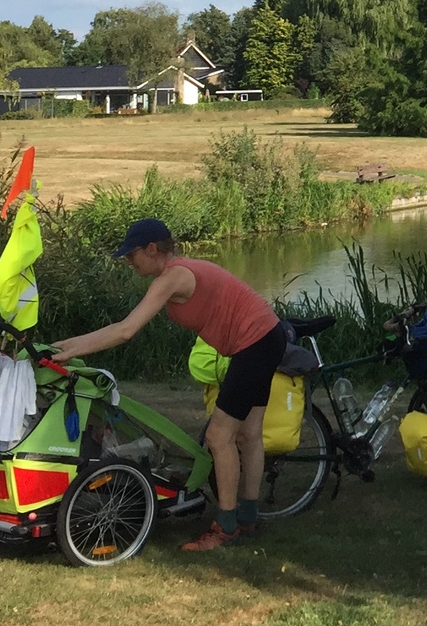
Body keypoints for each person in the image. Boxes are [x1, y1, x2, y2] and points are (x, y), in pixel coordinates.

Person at [50, 218, 285, 552]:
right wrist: (64, 347)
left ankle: (227, 527)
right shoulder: (178, 272)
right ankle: (246, 518)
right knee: (248, 434)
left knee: (219, 437)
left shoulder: (174, 276)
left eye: (131, 255)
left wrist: (69, 350)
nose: (129, 262)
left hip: (256, 343)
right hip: (267, 336)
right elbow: (122, 327)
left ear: (151, 249)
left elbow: (125, 330)